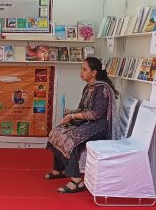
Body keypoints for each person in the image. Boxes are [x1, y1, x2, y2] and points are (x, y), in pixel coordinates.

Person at [45, 57, 118, 193]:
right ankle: (59, 169)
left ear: (94, 72)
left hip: (100, 127)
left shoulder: (102, 89)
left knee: (71, 139)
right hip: (88, 122)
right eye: (81, 69)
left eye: (84, 69)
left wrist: (72, 116)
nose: (81, 72)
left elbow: (96, 114)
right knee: (58, 131)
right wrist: (70, 111)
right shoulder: (88, 87)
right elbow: (83, 108)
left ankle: (77, 181)